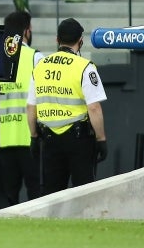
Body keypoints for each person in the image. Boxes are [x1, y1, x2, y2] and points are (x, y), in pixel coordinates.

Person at [27, 18, 107, 196]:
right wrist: (101, 139)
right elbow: (94, 108)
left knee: (52, 195)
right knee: (83, 193)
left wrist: (33, 136)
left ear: (57, 40)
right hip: (79, 140)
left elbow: (30, 107)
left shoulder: (40, 66)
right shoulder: (85, 67)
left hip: (49, 138)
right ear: (81, 41)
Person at [0, 11, 43, 206]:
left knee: (7, 197)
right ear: (26, 31)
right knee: (36, 194)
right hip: (30, 137)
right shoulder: (35, 57)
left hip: (3, 138)